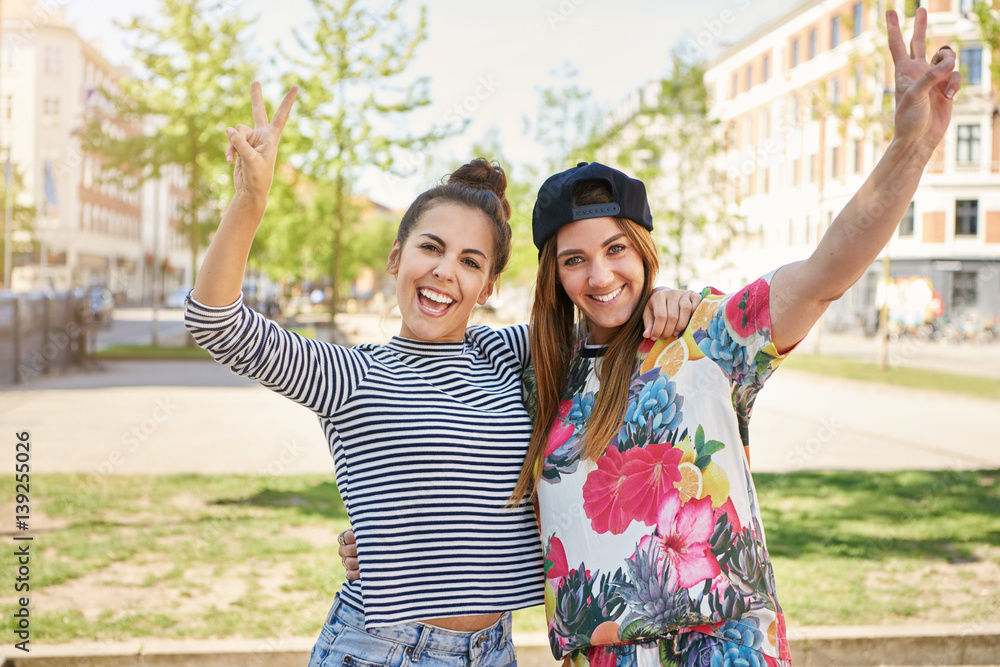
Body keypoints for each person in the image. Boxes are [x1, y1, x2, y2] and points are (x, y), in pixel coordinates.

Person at [502, 9, 960, 666]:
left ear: (643, 251)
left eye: (615, 249)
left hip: (726, 650)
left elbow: (825, 273)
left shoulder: (706, 333)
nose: (600, 275)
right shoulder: (540, 374)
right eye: (574, 259)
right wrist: (375, 542)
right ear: (553, 273)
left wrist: (910, 146)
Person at [185, 83, 700, 667]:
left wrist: (668, 298)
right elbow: (217, 323)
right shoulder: (351, 374)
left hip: (494, 651)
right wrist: (250, 203)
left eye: (470, 262)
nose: (444, 272)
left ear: (487, 288)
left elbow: (607, 312)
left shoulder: (515, 355)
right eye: (431, 248)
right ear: (396, 256)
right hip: (382, 651)